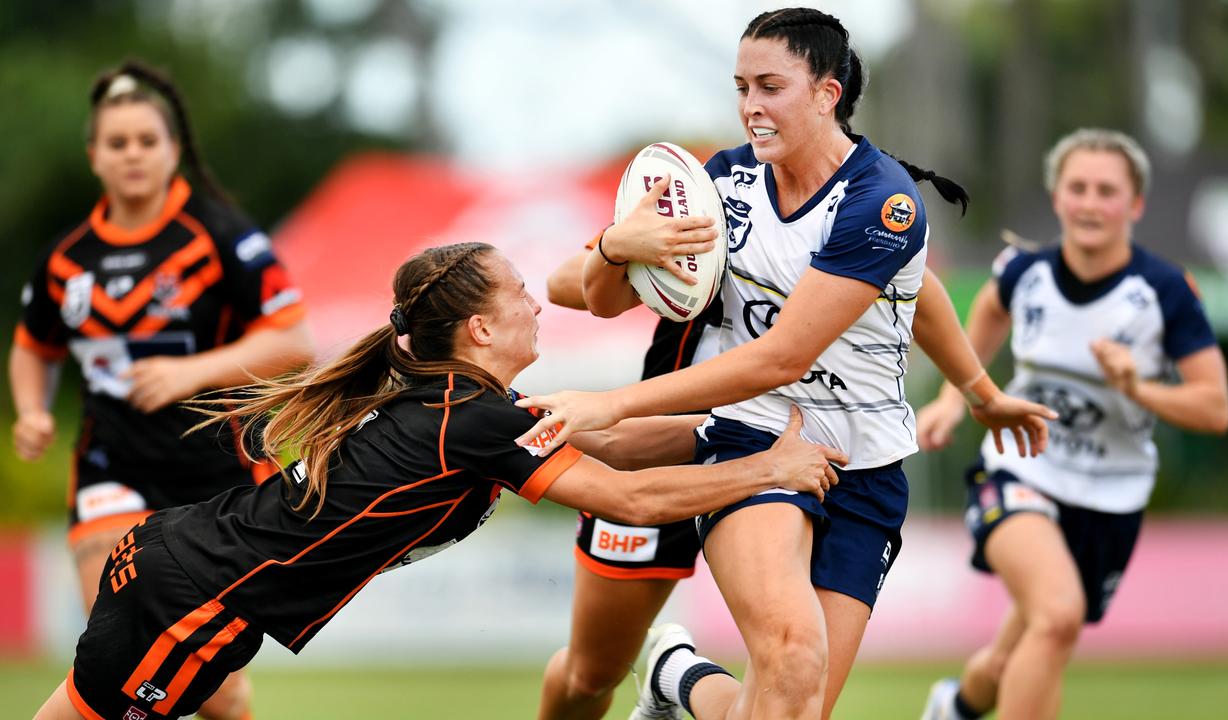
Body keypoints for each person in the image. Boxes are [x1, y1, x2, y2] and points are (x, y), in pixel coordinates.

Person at [32, 241, 846, 720]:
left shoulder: (468, 406)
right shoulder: (475, 418)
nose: (538, 301)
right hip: (193, 602)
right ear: (480, 327)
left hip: (170, 568)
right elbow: (628, 499)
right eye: (521, 293)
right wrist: (767, 470)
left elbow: (624, 449)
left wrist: (722, 430)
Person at [513, 8, 1057, 719]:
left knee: (791, 700)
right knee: (594, 673)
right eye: (741, 87)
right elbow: (577, 287)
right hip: (730, 437)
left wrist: (980, 393)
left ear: (827, 93)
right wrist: (620, 245)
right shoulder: (716, 184)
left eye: (769, 87)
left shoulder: (880, 204)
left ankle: (676, 679)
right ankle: (652, 674)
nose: (749, 107)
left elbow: (893, 306)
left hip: (854, 467)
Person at [10, 60, 313, 720]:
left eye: (148, 140)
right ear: (94, 156)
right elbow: (32, 346)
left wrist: (191, 372)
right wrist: (32, 409)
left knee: (218, 691)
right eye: (117, 143)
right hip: (109, 470)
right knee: (118, 655)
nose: (133, 155)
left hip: (214, 475)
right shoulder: (68, 259)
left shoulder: (223, 236)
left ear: (174, 149)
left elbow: (294, 341)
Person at [915, 129, 1228, 720]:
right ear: (1057, 197)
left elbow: (1215, 409)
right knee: (1057, 616)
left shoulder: (1166, 292)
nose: (1090, 203)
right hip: (1019, 468)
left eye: (1107, 191)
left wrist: (1138, 387)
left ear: (1134, 205)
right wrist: (956, 399)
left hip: (1112, 497)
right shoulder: (1024, 273)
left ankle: (955, 706)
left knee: (1026, 649)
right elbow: (985, 312)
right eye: (1077, 187)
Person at [537, 233, 724, 720]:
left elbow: (920, 292)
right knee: (590, 676)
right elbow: (560, 285)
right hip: (656, 456)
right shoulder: (703, 200)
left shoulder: (864, 207)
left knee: (790, 664)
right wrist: (627, 252)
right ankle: (673, 676)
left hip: (783, 451)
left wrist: (954, 386)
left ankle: (677, 676)